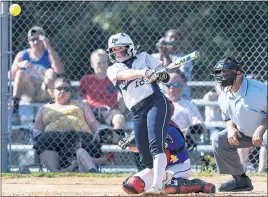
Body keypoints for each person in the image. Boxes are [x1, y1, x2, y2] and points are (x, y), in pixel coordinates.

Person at [106, 33, 172, 193]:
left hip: (155, 101)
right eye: (114, 50)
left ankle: (157, 186)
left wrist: (162, 75)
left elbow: (164, 75)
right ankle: (164, 177)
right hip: (137, 111)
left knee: (156, 144)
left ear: (130, 48)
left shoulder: (144, 57)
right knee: (144, 154)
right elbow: (123, 75)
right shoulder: (114, 68)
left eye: (121, 49)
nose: (117, 53)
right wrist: (144, 73)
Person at [119, 102, 216, 194]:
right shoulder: (150, 126)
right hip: (160, 168)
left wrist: (139, 144)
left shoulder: (169, 129)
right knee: (133, 184)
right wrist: (132, 144)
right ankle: (164, 183)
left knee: (168, 187)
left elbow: (154, 147)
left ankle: (199, 185)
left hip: (180, 166)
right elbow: (140, 148)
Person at [211, 57, 267, 192]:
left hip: (264, 132)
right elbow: (227, 118)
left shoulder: (259, 90)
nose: (223, 74)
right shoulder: (223, 96)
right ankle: (241, 181)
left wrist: (261, 129)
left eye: (228, 71)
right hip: (245, 134)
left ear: (239, 72)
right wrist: (230, 129)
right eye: (220, 72)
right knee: (219, 139)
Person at [33, 77, 111, 172]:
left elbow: (92, 122)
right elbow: (37, 129)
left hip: (79, 135)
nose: (62, 91)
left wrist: (99, 133)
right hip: (53, 137)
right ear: (53, 91)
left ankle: (83, 168)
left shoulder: (80, 105)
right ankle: (55, 173)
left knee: (83, 139)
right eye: (59, 88)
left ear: (70, 92)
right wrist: (37, 137)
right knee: (43, 140)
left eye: (66, 89)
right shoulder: (45, 108)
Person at [9, 26, 64, 125]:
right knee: (20, 73)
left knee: (50, 72)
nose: (35, 42)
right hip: (29, 92)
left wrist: (49, 47)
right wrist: (19, 65)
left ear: (44, 40)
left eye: (38, 39)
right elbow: (10, 76)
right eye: (33, 39)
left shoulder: (50, 54)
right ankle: (15, 111)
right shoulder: (22, 55)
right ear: (28, 41)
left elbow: (59, 71)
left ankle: (55, 107)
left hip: (44, 91)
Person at [79, 49, 126, 132]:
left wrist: (122, 96)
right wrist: (83, 103)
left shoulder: (115, 79)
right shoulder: (86, 79)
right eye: (99, 63)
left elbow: (121, 108)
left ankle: (115, 144)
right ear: (92, 64)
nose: (103, 65)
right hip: (91, 111)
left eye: (105, 62)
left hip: (110, 111)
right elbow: (80, 97)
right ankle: (92, 143)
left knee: (120, 119)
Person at [164, 73, 206, 151]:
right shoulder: (158, 103)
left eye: (175, 85)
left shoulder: (188, 105)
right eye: (168, 85)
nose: (171, 88)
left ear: (181, 86)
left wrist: (184, 131)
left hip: (180, 141)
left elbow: (201, 126)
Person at [152, 29, 192, 100]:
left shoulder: (185, 58)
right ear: (164, 39)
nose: (173, 40)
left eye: (176, 38)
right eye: (171, 37)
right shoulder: (154, 57)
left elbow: (183, 78)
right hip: (159, 97)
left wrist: (166, 55)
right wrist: (161, 54)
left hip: (181, 98)